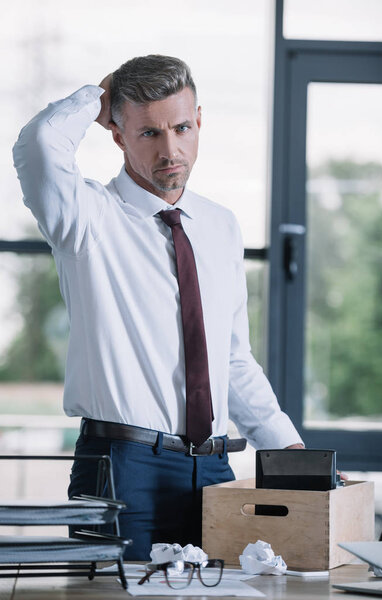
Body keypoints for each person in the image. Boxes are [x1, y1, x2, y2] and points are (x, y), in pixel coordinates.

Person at [13, 55, 304, 560]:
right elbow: (38, 146)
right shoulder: (87, 218)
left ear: (199, 122)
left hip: (214, 467)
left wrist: (291, 451)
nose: (171, 150)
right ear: (118, 135)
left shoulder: (220, 226)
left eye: (182, 127)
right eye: (148, 133)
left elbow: (232, 360)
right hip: (122, 466)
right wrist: (95, 99)